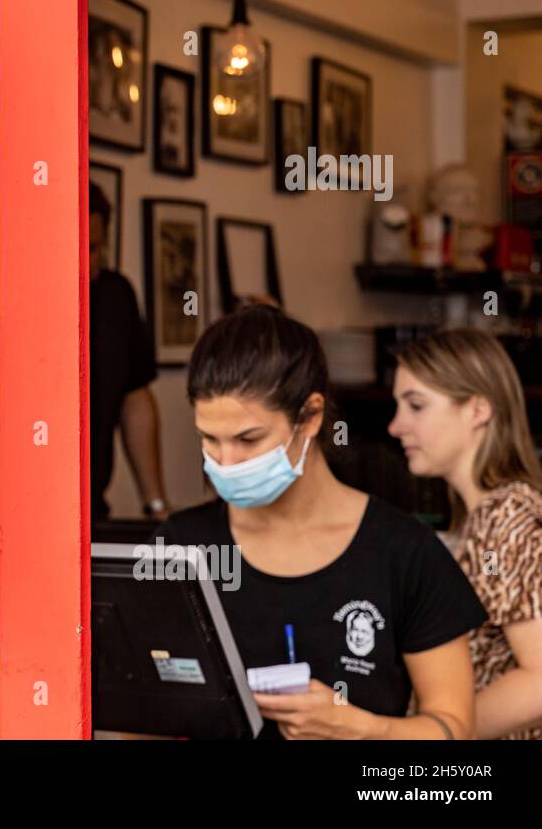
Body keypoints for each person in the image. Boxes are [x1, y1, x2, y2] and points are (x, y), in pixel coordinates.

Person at [155, 306, 486, 739]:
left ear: (310, 416)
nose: (226, 463)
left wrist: (362, 729)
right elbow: (143, 712)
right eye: (209, 439)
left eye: (248, 439)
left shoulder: (405, 552)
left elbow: (453, 730)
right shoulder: (181, 546)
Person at [388, 329, 542, 739]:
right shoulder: (482, 517)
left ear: (478, 409)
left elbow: (539, 682)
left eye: (416, 406)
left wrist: (441, 732)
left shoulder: (506, 516)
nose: (395, 426)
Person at [88, 180, 167, 519]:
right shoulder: (11, 295)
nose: (87, 265)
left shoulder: (115, 295)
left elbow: (135, 400)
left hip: (91, 511)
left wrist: (155, 504)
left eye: (94, 249)